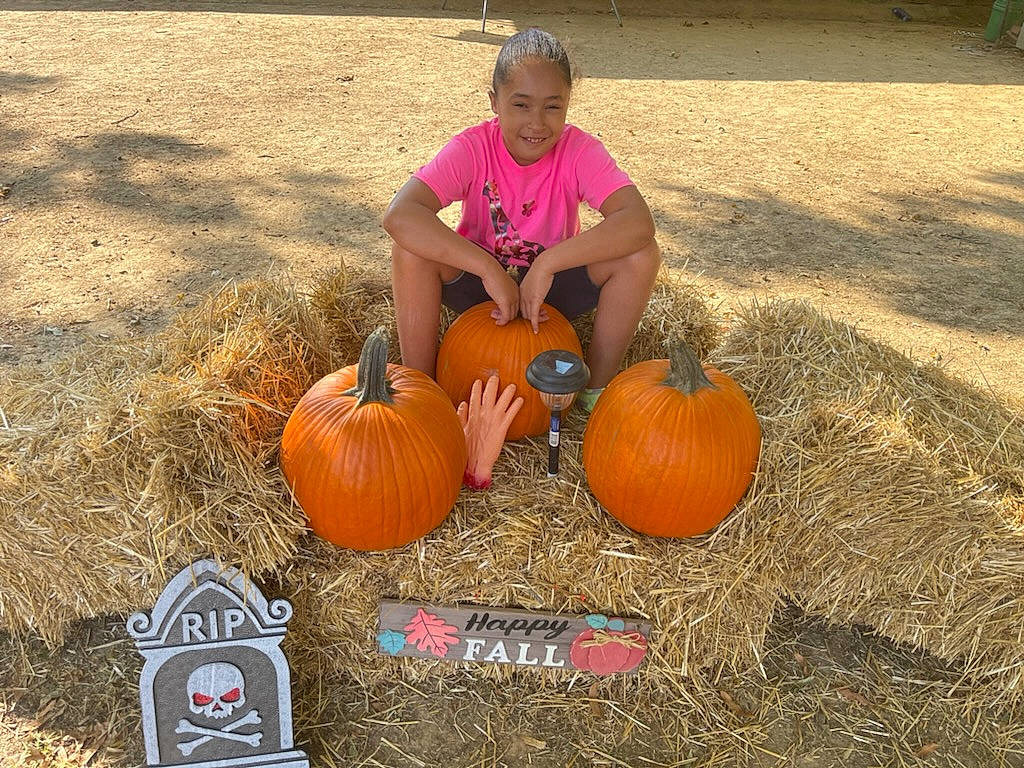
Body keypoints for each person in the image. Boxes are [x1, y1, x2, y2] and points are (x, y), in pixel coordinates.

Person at [382, 28, 660, 411]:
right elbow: (400, 215)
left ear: (567, 104)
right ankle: (423, 389)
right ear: (495, 102)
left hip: (551, 295)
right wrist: (487, 269)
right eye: (521, 105)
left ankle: (593, 387)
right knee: (410, 250)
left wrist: (547, 264)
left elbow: (638, 223)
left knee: (641, 255)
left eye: (552, 106)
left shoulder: (579, 150)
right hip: (481, 292)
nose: (537, 123)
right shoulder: (473, 147)